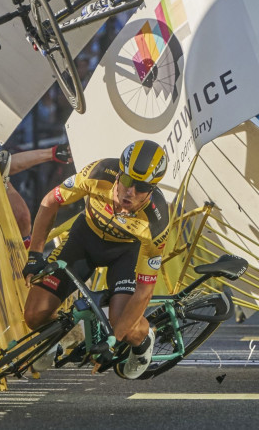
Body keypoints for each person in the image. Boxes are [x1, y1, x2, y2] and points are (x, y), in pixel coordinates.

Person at [21, 140, 170, 379]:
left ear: (151, 190)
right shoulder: (98, 173)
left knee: (124, 325)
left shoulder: (157, 221)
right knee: (34, 315)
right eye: (128, 181)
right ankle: (67, 335)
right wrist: (35, 255)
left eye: (140, 187)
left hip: (125, 253)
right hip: (84, 239)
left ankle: (144, 341)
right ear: (120, 174)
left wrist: (113, 342)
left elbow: (144, 292)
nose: (130, 192)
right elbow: (51, 201)